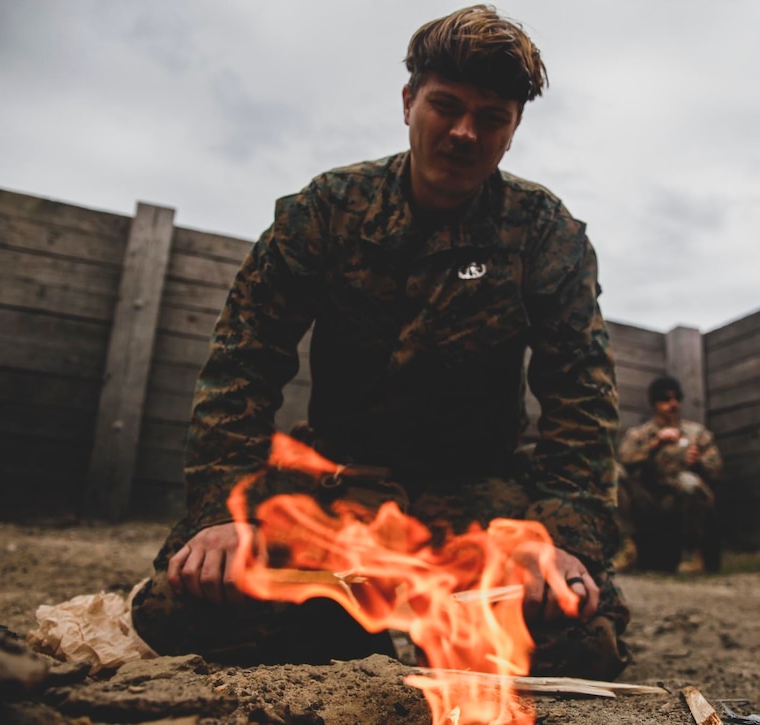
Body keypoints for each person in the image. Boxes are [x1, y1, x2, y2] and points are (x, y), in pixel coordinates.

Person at [130, 5, 630, 680]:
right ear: (407, 102)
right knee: (180, 609)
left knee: (576, 635)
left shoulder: (544, 231)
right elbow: (243, 362)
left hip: (479, 495)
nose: (463, 132)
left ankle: (421, 619)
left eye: (490, 117)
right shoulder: (328, 209)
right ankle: (340, 617)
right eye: (445, 105)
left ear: (513, 130)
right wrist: (223, 511)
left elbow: (581, 394)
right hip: (336, 482)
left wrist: (557, 538)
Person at [616, 376, 723, 573]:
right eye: (665, 399)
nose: (672, 404)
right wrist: (654, 445)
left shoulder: (696, 433)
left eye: (676, 398)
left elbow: (716, 467)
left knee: (689, 483)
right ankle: (627, 547)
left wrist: (698, 461)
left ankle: (692, 552)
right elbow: (625, 461)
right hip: (647, 496)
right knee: (613, 474)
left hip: (681, 496)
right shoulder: (639, 434)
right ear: (654, 403)